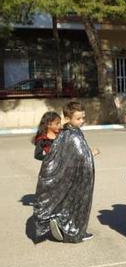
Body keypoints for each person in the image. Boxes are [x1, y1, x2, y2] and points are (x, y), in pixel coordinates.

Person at [32, 101, 97, 243]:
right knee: (78, 204)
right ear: (68, 119)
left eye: (83, 118)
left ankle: (62, 226)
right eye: (78, 118)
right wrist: (90, 154)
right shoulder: (72, 135)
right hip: (77, 178)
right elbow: (80, 155)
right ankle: (75, 233)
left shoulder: (65, 133)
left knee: (67, 203)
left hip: (69, 176)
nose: (82, 121)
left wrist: (87, 152)